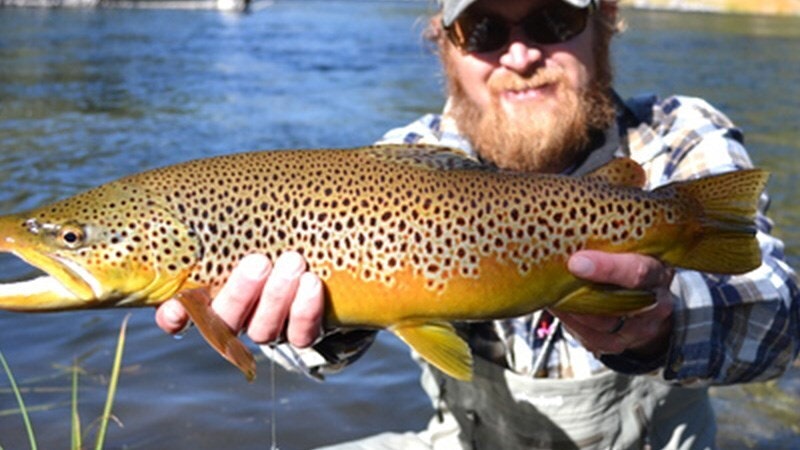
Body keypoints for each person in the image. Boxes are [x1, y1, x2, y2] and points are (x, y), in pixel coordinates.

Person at [156, 0, 800, 448]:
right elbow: (303, 354)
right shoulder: (400, 164)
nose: (519, 55)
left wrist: (658, 325)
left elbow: (781, 322)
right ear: (445, 44)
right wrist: (322, 325)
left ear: (604, 24)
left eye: (553, 19)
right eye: (485, 28)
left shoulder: (679, 136)